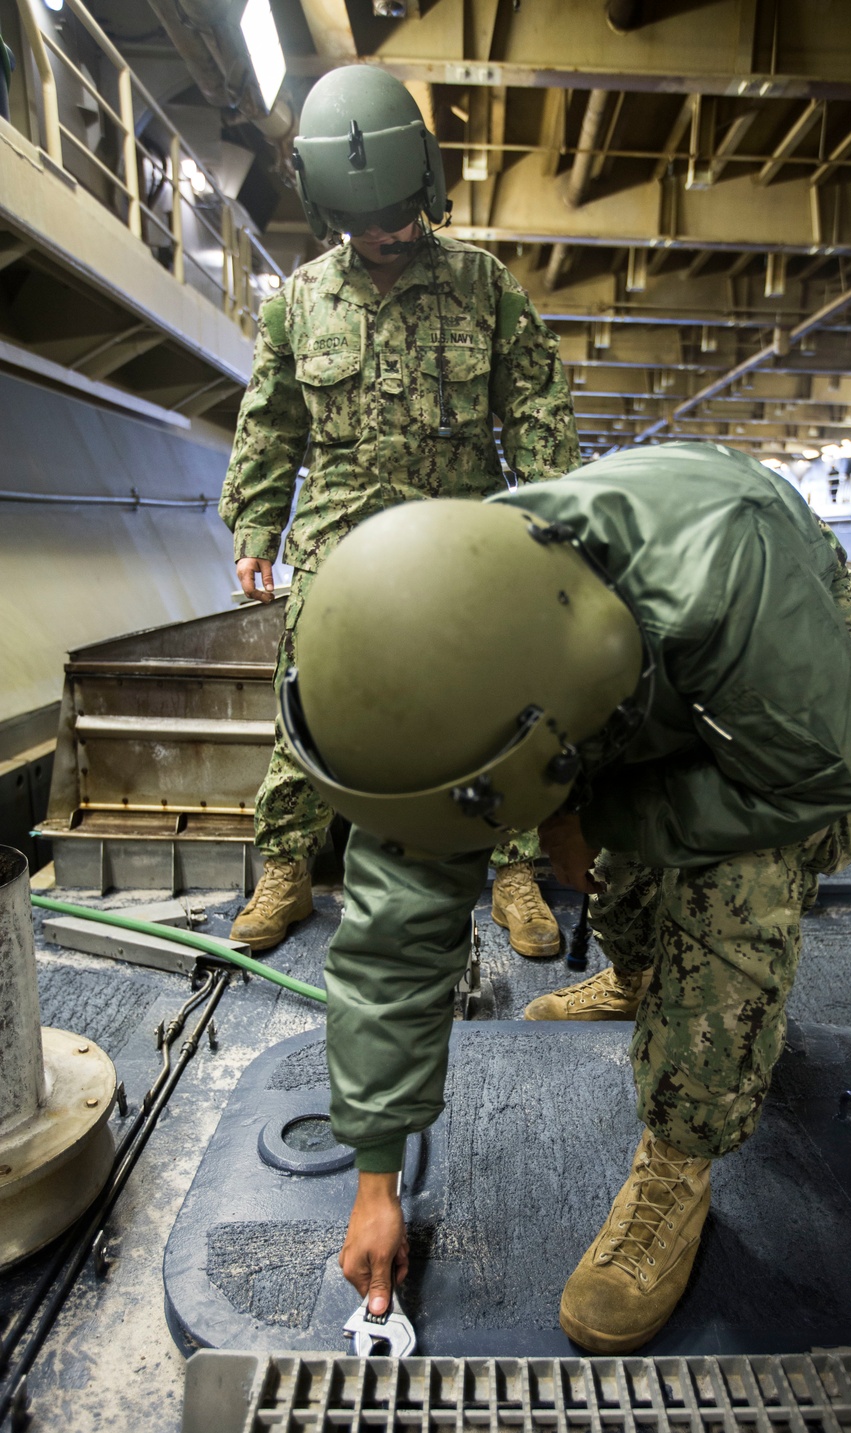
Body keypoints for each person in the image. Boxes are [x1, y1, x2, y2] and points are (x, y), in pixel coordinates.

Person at [279, 441, 851, 1354]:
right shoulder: (452, 654)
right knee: (615, 877)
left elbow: (818, 780)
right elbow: (395, 932)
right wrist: (376, 1181)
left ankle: (679, 1163)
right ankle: (641, 973)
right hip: (609, 686)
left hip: (765, 659)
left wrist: (607, 813)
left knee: (735, 879)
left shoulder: (734, 585)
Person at [218, 64, 579, 956]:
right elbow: (272, 423)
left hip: (463, 529)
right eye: (360, 224)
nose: (381, 235)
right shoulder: (298, 302)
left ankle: (516, 871)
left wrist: (558, 523)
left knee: (504, 692)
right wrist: (257, 528)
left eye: (394, 217)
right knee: (309, 691)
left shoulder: (482, 286)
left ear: (425, 186)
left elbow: (534, 404)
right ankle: (289, 866)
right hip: (340, 534)